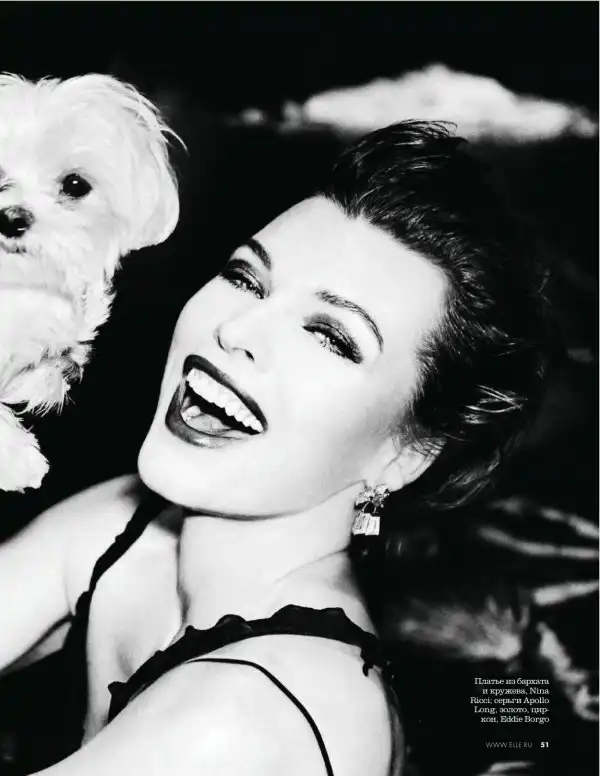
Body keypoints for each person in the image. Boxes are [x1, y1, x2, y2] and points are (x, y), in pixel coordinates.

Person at [0, 121, 548, 775]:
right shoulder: (127, 528)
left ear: (406, 454)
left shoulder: (246, 719)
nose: (237, 329)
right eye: (247, 279)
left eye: (331, 336)